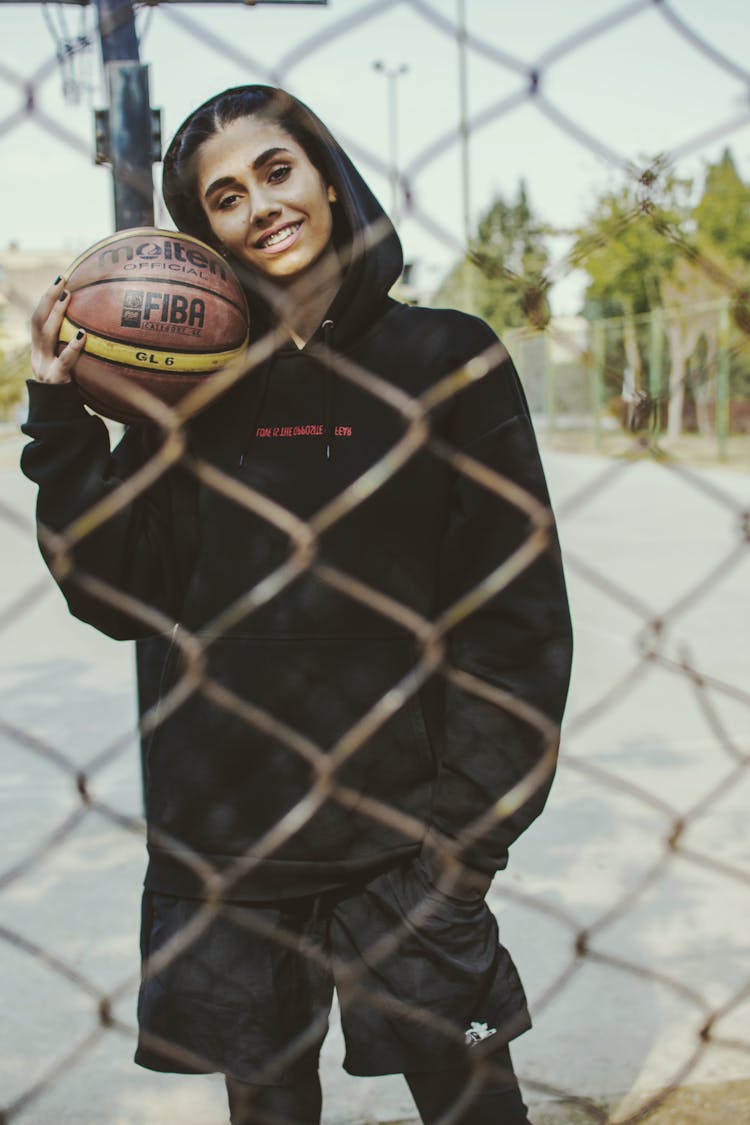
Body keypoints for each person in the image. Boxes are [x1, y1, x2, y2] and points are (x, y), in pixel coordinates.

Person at [21, 86, 572, 1125]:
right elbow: (113, 593)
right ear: (204, 233)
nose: (258, 206)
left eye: (275, 172)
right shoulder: (194, 381)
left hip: (408, 843)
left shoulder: (450, 359)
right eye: (222, 197)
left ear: (327, 175)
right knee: (269, 1111)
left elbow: (518, 622)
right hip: (233, 847)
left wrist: (465, 848)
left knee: (476, 1101)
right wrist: (61, 422)